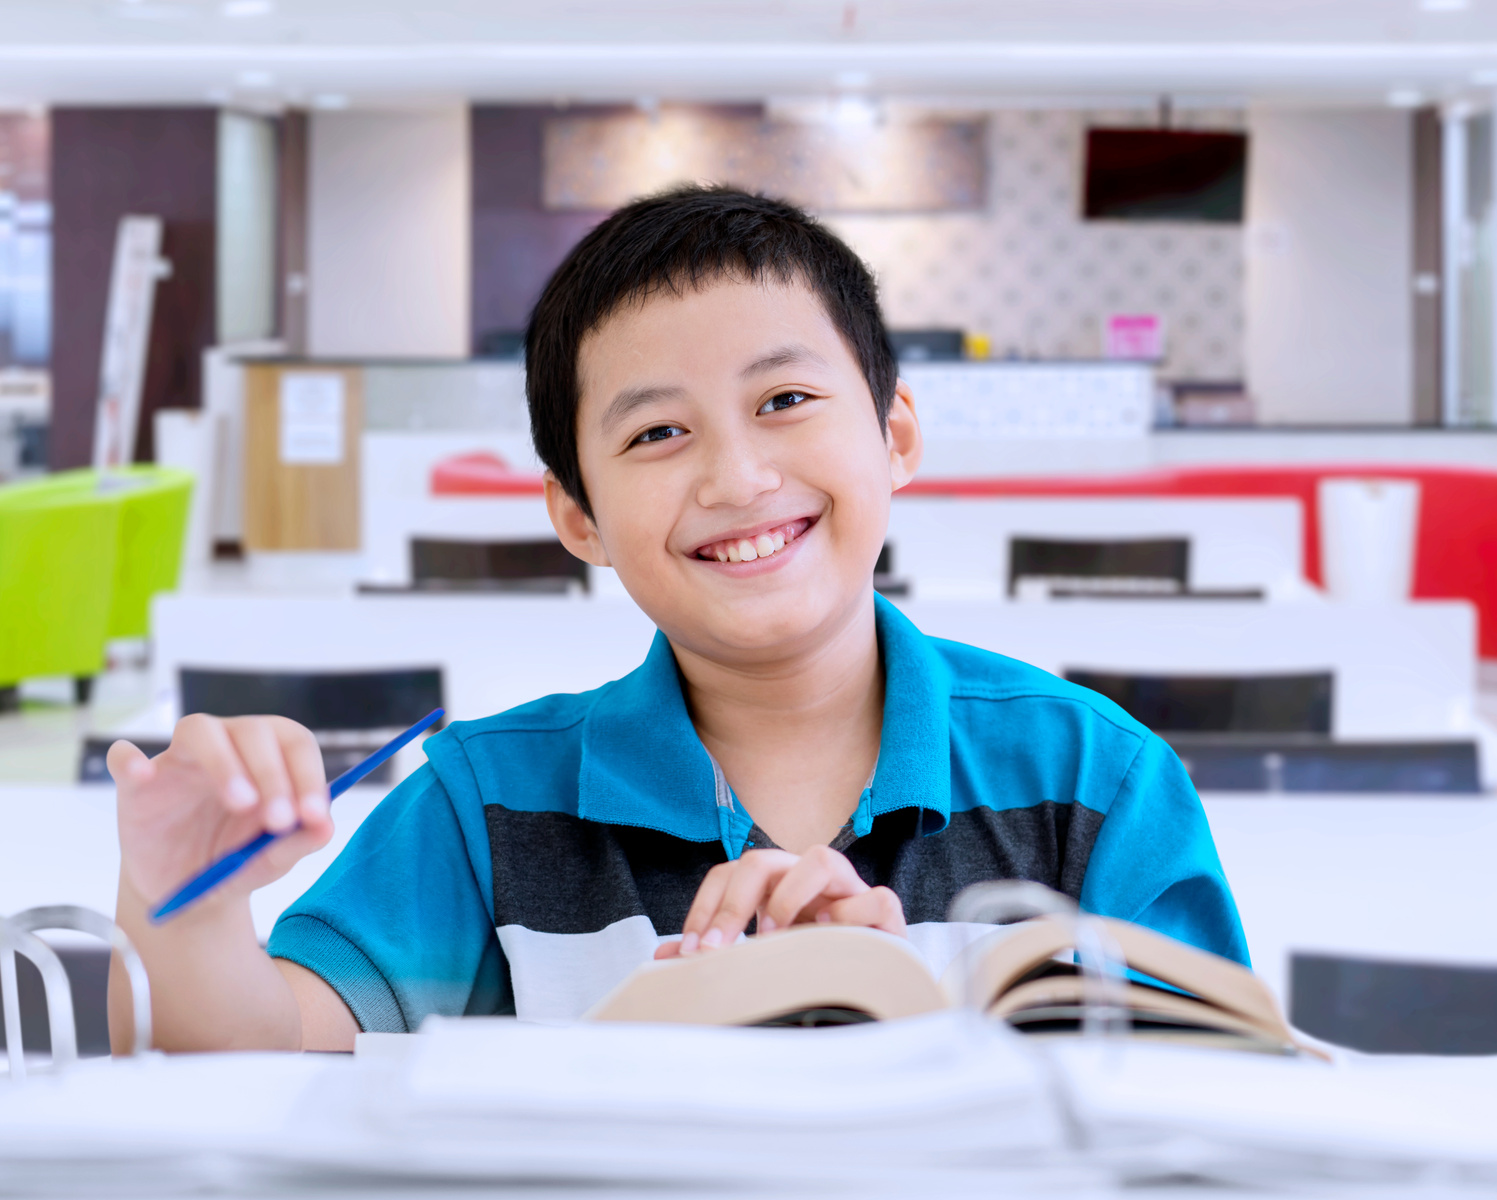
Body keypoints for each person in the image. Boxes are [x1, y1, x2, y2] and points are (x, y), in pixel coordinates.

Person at [109, 186, 1248, 1052]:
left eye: (785, 401)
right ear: (578, 514)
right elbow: (260, 1055)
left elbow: (1206, 1112)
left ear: (895, 434)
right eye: (658, 433)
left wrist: (898, 1019)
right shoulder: (482, 803)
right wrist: (181, 908)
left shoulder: (1098, 781)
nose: (739, 476)